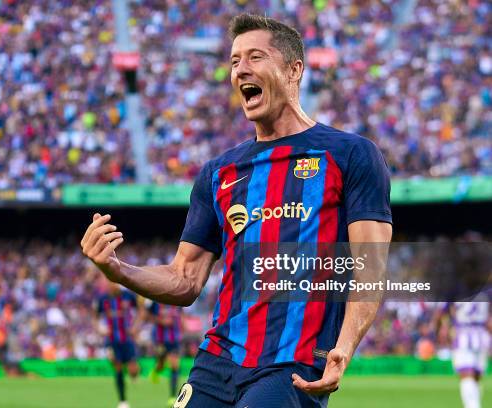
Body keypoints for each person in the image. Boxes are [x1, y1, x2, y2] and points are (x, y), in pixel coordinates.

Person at [82, 13, 392, 408]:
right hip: (217, 363)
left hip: (290, 366)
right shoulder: (219, 172)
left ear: (293, 70)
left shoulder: (350, 155)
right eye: (234, 61)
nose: (240, 69)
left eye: (255, 57)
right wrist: (118, 270)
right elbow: (184, 279)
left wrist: (344, 347)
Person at [94, 281, 141, 408]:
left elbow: (141, 311)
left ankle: (134, 374)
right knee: (118, 367)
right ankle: (122, 401)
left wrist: (135, 327)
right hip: (112, 340)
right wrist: (100, 328)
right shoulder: (103, 299)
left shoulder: (128, 296)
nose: (113, 285)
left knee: (133, 369)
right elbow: (95, 316)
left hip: (127, 339)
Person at [450, 300, 490, 408]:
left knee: (467, 375)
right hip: (482, 337)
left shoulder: (457, 288)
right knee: (476, 376)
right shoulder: (487, 290)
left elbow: (448, 310)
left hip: (464, 336)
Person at [146, 301, 183, 407]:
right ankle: (155, 370)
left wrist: (182, 327)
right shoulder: (156, 301)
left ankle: (172, 396)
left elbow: (180, 315)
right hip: (160, 339)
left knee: (174, 365)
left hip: (174, 339)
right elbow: (149, 316)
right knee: (161, 364)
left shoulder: (178, 300)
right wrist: (161, 321)